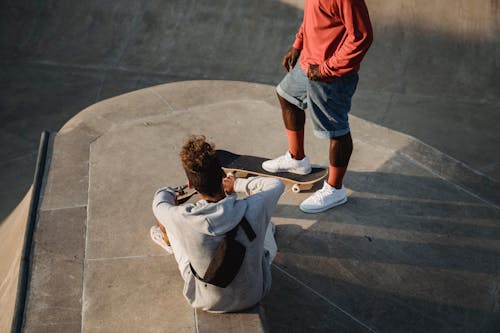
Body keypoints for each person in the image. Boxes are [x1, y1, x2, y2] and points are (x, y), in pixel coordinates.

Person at [151, 135, 284, 312]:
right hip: (254, 293)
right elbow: (276, 184)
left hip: (206, 300)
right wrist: (237, 184)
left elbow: (159, 202)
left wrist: (176, 191)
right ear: (222, 175)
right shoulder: (254, 206)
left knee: (171, 225)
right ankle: (266, 229)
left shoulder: (182, 217)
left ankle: (168, 240)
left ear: (191, 183)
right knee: (264, 223)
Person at [262, 0, 373, 213]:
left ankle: (335, 189)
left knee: (336, 130)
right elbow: (314, 18)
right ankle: (297, 159)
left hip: (331, 76)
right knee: (287, 96)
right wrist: (298, 44)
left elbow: (362, 37)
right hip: (308, 62)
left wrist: (327, 69)